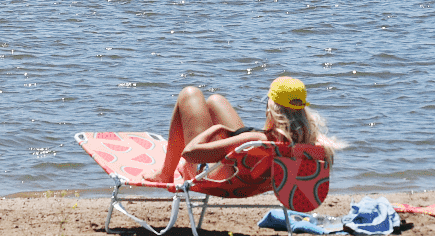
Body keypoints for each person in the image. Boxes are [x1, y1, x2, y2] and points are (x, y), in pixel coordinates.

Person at [140, 75, 336, 185]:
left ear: (271, 109)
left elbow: (190, 153)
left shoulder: (255, 139)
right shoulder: (308, 142)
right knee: (216, 101)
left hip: (223, 177)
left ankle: (167, 172)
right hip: (252, 175)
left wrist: (215, 129)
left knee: (189, 93)